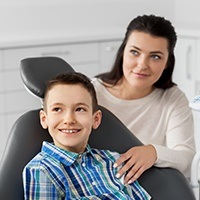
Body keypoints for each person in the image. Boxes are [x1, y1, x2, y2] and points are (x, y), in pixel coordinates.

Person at [92, 14, 196, 184]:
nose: (142, 64)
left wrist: (153, 153)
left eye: (155, 56)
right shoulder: (92, 92)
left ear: (168, 62)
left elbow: (186, 158)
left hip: (147, 187)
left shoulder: (173, 99)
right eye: (135, 52)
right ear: (123, 52)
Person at [22, 72, 151, 199]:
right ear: (44, 119)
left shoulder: (113, 160)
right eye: (57, 109)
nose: (69, 119)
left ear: (96, 119)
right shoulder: (42, 170)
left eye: (80, 109)